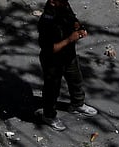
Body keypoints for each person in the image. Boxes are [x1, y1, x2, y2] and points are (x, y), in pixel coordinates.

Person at [37, 0, 98, 131]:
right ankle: (49, 115)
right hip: (52, 61)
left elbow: (72, 18)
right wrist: (70, 39)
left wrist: (78, 26)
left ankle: (77, 104)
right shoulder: (46, 22)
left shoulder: (64, 6)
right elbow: (50, 49)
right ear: (53, 2)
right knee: (52, 89)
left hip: (69, 55)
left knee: (76, 80)